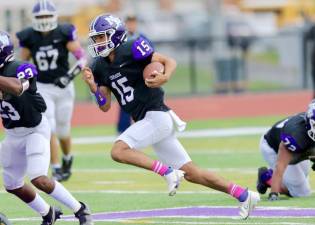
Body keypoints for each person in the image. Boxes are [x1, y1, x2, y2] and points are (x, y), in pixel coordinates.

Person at [82, 14, 260, 219]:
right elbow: (104, 105)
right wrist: (92, 86)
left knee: (119, 150)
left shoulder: (131, 47)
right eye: (95, 38)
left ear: (115, 35)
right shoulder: (98, 66)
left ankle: (167, 172)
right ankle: (245, 195)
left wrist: (165, 76)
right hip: (148, 121)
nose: (97, 42)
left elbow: (168, 60)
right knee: (193, 173)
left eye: (101, 37)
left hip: (156, 115)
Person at [0, 31, 93, 225]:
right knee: (12, 185)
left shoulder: (20, 67)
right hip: (12, 133)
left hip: (35, 129)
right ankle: (48, 212)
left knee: (39, 178)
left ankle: (80, 209)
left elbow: (17, 88)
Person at [16, 0, 87, 182]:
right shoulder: (29, 36)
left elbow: (82, 59)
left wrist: (68, 77)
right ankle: (55, 167)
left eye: (47, 15)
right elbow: (21, 64)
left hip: (63, 87)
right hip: (43, 87)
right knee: (49, 126)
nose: (44, 19)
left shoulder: (64, 32)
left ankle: (67, 157)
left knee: (63, 130)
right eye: (41, 16)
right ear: (34, 19)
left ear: (54, 16)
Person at [256, 102, 315, 200]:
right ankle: (266, 177)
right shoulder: (295, 136)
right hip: (273, 147)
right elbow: (281, 165)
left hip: (302, 147)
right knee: (301, 192)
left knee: (302, 176)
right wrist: (274, 193)